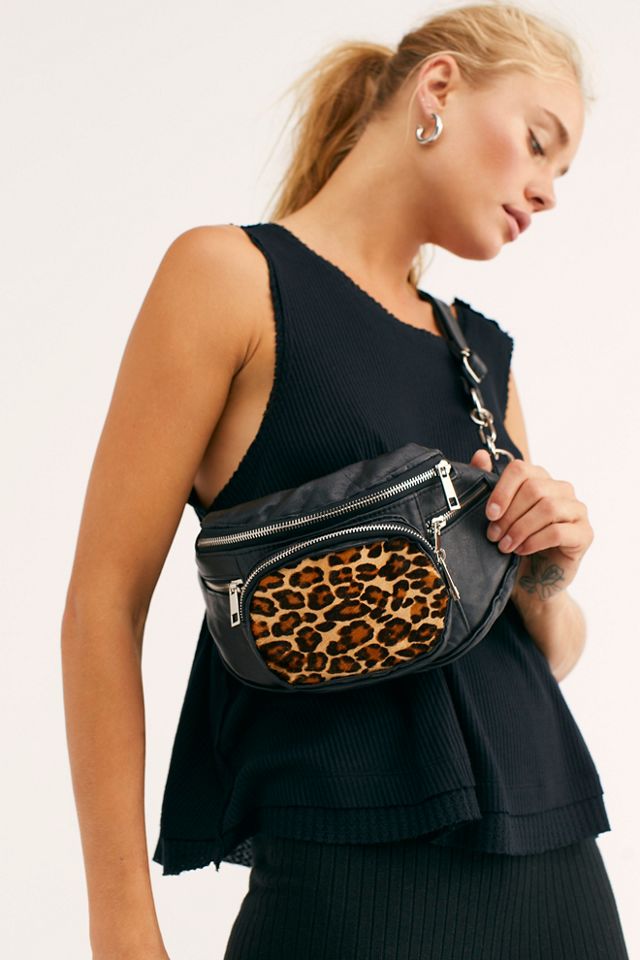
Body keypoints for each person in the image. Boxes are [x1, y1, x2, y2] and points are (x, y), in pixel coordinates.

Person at [61, 2, 630, 958]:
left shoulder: (480, 356)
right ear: (439, 87)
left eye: (561, 172)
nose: (546, 192)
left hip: (558, 868)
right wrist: (122, 932)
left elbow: (548, 653)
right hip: (342, 875)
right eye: (539, 143)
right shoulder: (230, 280)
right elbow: (101, 607)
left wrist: (548, 569)